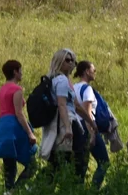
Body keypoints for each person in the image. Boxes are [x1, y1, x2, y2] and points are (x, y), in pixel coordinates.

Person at [39, 49, 96, 181]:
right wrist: (68, 128)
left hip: (63, 122)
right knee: (78, 157)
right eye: (68, 60)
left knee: (58, 160)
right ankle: (75, 188)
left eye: (73, 61)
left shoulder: (62, 80)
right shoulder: (61, 81)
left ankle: (43, 189)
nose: (71, 64)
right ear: (59, 61)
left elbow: (77, 106)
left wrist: (91, 122)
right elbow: (62, 105)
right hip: (67, 122)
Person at [0, 59, 38, 193]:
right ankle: (15, 190)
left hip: (2, 125)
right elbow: (19, 113)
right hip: (13, 126)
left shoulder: (2, 89)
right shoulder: (17, 89)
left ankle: (8, 191)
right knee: (32, 165)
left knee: (9, 163)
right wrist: (30, 133)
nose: (22, 73)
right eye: (20, 70)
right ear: (15, 72)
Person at [75, 60, 110, 189]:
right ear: (86, 71)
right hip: (87, 128)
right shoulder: (87, 89)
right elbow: (87, 112)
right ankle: (94, 191)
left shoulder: (74, 87)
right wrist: (92, 134)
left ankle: (78, 191)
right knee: (104, 162)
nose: (95, 73)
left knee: (81, 164)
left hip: (76, 128)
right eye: (93, 70)